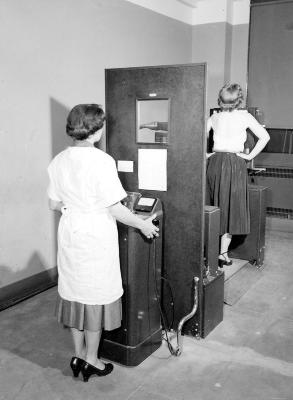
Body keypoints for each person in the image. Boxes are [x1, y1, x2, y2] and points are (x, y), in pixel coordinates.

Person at [47, 104, 159, 382]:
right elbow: (116, 209)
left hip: (70, 231)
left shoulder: (58, 160)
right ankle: (92, 360)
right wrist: (144, 224)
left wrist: (73, 209)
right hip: (95, 234)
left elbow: (53, 203)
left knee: (75, 293)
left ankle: (77, 354)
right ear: (95, 131)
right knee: (95, 296)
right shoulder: (101, 161)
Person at [206, 83, 270, 267]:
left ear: (220, 100)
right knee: (231, 208)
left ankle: (214, 253)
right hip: (234, 164)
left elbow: (198, 136)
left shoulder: (214, 117)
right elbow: (265, 137)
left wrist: (208, 154)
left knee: (215, 205)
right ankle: (222, 253)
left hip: (215, 163)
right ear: (239, 100)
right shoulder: (245, 117)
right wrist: (249, 156)